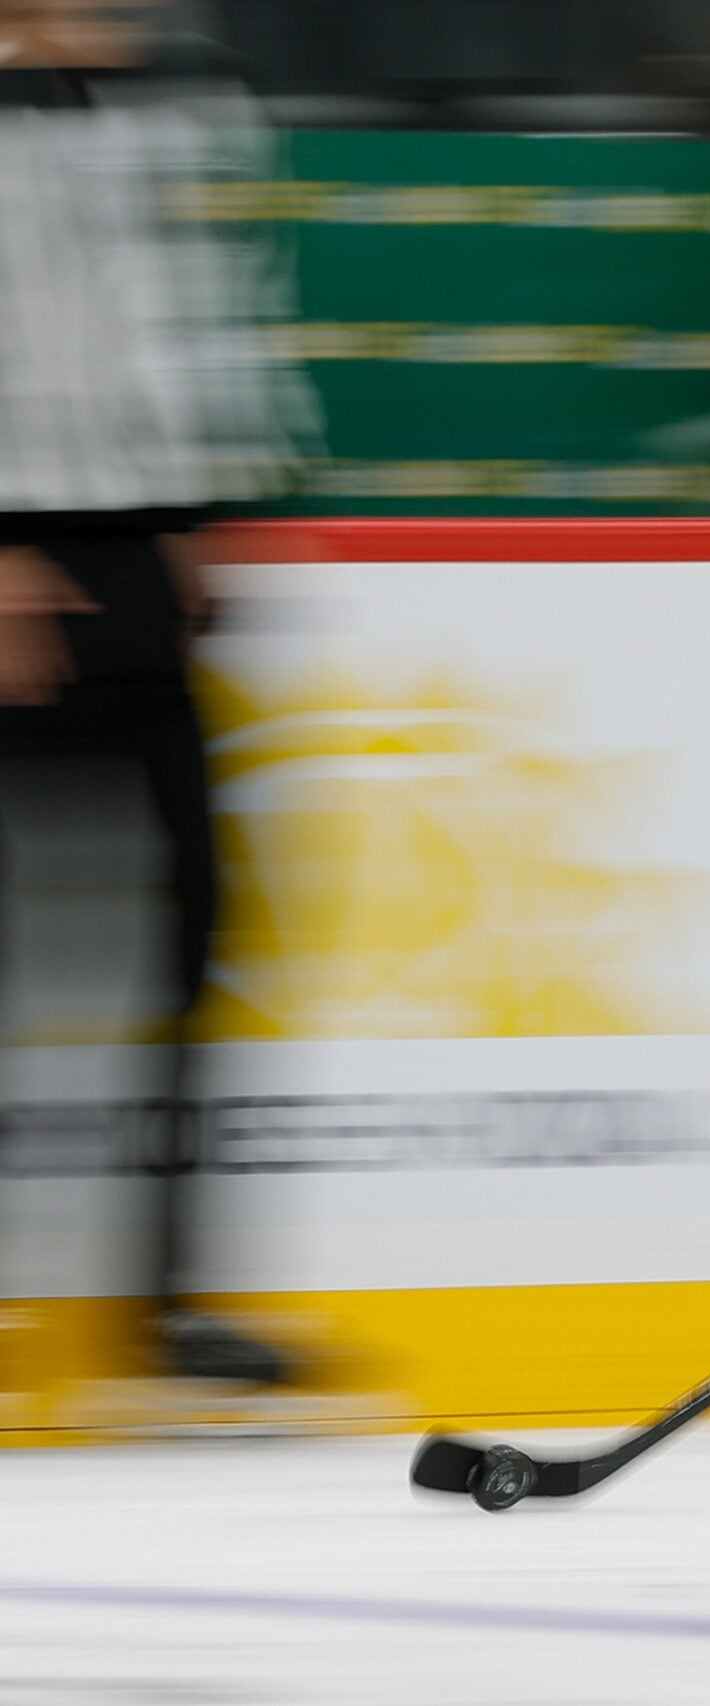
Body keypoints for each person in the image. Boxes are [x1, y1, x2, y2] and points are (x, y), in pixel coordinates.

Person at [0, 0, 314, 1386]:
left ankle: (170, 1307)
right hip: (20, 554)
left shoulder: (166, 105)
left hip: (131, 557)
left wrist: (189, 517)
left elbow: (166, 322)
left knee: (200, 918)